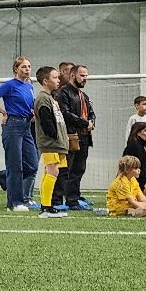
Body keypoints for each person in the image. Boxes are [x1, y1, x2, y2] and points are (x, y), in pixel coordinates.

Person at [0, 56, 37, 212]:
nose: (27, 69)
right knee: (15, 166)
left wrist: (32, 112)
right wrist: (3, 112)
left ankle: (0, 176)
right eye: (24, 67)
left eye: (29, 66)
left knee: (32, 165)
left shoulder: (29, 86)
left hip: (26, 125)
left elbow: (28, 103)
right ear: (16, 69)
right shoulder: (10, 85)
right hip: (13, 125)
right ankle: (14, 204)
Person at [56, 63, 95, 211]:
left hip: (84, 137)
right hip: (70, 137)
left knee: (79, 169)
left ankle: (73, 200)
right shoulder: (63, 93)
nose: (85, 78)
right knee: (65, 170)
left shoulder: (84, 95)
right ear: (73, 75)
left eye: (86, 76)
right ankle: (58, 200)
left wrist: (92, 122)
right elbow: (65, 114)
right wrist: (85, 123)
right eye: (82, 75)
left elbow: (92, 112)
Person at [31, 65, 68, 218]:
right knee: (52, 171)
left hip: (57, 143)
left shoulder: (51, 98)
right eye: (54, 77)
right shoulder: (42, 98)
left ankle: (48, 205)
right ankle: (46, 208)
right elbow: (46, 123)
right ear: (45, 81)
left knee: (53, 172)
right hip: (50, 143)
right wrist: (54, 137)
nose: (58, 80)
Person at [105, 155, 146, 220]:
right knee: (145, 210)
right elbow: (132, 202)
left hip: (128, 206)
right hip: (119, 208)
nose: (139, 170)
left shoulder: (132, 179)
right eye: (136, 168)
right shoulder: (121, 183)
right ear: (127, 170)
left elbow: (140, 196)